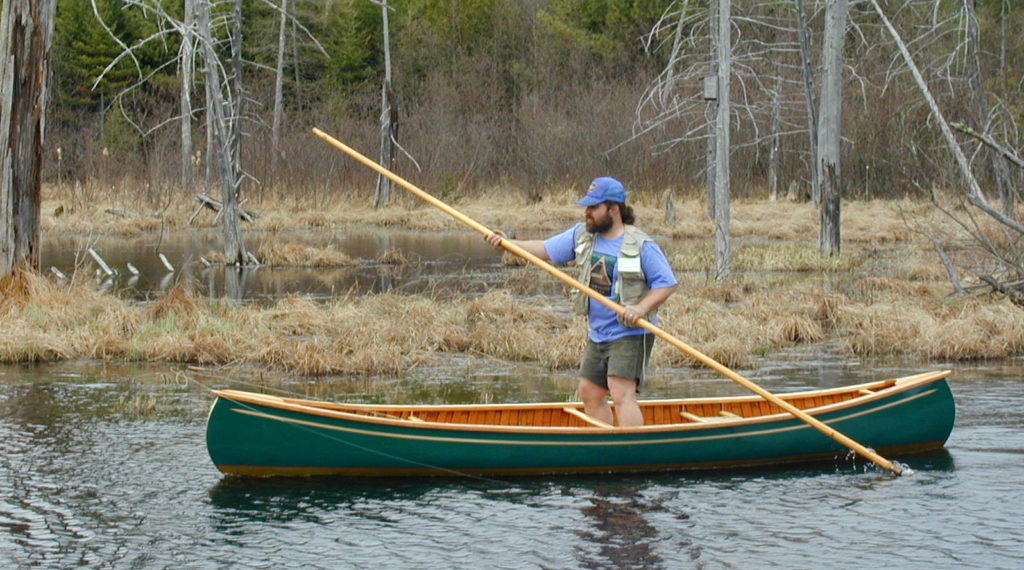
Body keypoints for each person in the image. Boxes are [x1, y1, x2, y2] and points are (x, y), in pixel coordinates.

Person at [485, 177, 677, 427]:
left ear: (614, 209)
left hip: (630, 332)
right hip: (598, 332)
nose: (587, 212)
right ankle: (607, 445)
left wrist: (640, 308)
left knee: (621, 391)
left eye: (593, 207)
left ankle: (630, 450)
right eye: (587, 207)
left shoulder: (641, 245)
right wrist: (509, 245)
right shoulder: (582, 235)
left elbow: (667, 283)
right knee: (590, 390)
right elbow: (545, 249)